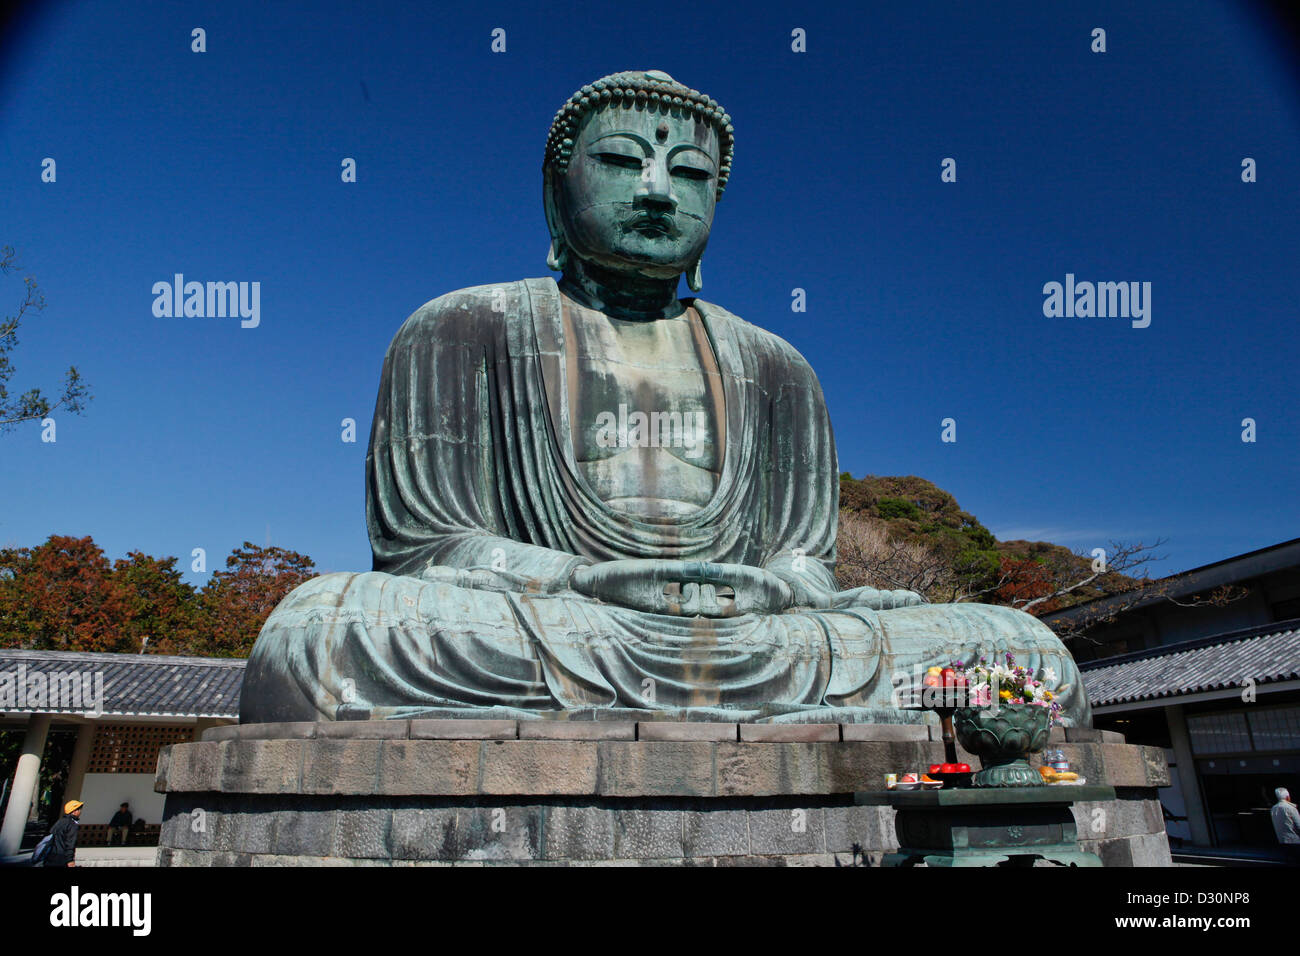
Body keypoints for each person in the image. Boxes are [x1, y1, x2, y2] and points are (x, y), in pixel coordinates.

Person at [239, 69, 1091, 726]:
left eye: (690, 174)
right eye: (618, 160)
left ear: (715, 200)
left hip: (756, 638)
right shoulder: (462, 327)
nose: (656, 190)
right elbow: (428, 551)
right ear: (553, 190)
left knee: (1019, 650)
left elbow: (801, 560)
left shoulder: (777, 364)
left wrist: (770, 592)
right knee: (319, 631)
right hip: (557, 624)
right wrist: (588, 579)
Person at [44, 800, 81, 868]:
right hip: (62, 857)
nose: (80, 811)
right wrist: (70, 859)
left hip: (51, 855)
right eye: (78, 809)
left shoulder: (60, 821)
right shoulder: (72, 824)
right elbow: (70, 843)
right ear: (74, 811)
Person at [1271, 788, 1300, 864]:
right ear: (1287, 797)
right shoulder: (1290, 808)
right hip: (1295, 840)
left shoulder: (1273, 808)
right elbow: (1298, 824)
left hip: (1282, 840)